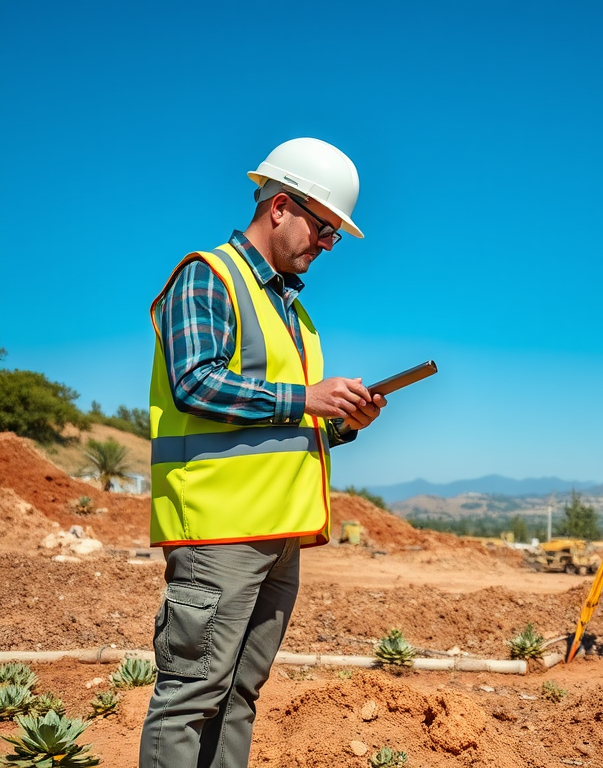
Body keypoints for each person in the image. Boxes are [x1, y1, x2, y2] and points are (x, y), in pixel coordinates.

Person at [139, 137, 386, 768]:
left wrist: (344, 420)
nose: (328, 246)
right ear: (280, 207)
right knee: (190, 697)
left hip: (279, 534)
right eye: (325, 228)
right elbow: (196, 381)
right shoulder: (208, 276)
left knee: (239, 695)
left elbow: (289, 425)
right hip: (220, 533)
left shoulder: (295, 316)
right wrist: (306, 395)